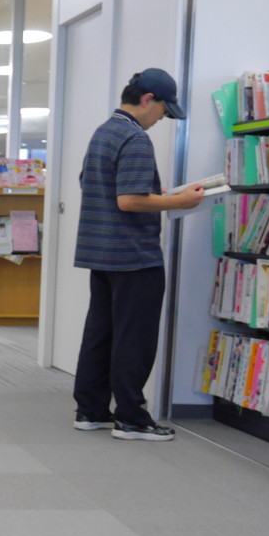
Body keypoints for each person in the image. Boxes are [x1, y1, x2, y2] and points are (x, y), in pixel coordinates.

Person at [72, 68, 203, 442]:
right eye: (163, 109)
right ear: (148, 100)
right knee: (135, 337)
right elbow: (128, 200)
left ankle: (91, 410)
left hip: (101, 252)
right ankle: (131, 418)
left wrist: (154, 191)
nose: (162, 118)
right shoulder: (135, 137)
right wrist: (181, 200)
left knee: (100, 332)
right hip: (134, 255)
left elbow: (93, 183)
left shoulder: (104, 132)